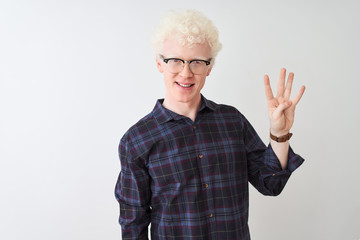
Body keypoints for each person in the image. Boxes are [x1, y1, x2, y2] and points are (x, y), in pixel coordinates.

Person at [115, 9, 305, 240]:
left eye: (197, 62)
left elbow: (271, 184)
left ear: (209, 67)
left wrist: (279, 133)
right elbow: (133, 224)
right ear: (159, 64)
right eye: (175, 61)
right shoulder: (137, 140)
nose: (186, 73)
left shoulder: (232, 121)